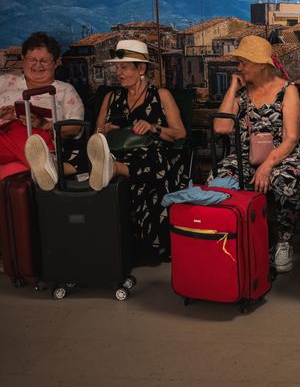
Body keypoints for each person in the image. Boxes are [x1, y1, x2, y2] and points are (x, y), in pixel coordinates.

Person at [25, 39, 187, 265]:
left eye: (124, 67)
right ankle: (54, 169)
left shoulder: (161, 95)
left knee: (146, 159)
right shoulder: (111, 97)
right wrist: (105, 130)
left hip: (151, 152)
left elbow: (180, 134)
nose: (117, 73)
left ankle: (108, 169)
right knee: (87, 149)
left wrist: (153, 127)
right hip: (114, 150)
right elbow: (95, 137)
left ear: (141, 69)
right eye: (117, 67)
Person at [212, 35, 300, 273]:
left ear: (262, 65)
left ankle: (284, 240)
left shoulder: (287, 90)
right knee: (219, 181)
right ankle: (234, 238)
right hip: (243, 156)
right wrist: (233, 87)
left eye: (244, 62)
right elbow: (221, 127)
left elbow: (291, 138)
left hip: (281, 155)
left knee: (287, 181)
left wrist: (268, 165)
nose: (239, 67)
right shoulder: (241, 94)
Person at [0, 32, 84, 180]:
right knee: (16, 130)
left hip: (36, 145)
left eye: (44, 60)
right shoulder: (5, 82)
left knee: (13, 171)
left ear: (55, 62)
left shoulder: (65, 90)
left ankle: (43, 167)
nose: (37, 65)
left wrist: (45, 124)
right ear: (23, 60)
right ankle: (49, 168)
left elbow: (76, 127)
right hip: (3, 138)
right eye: (32, 59)